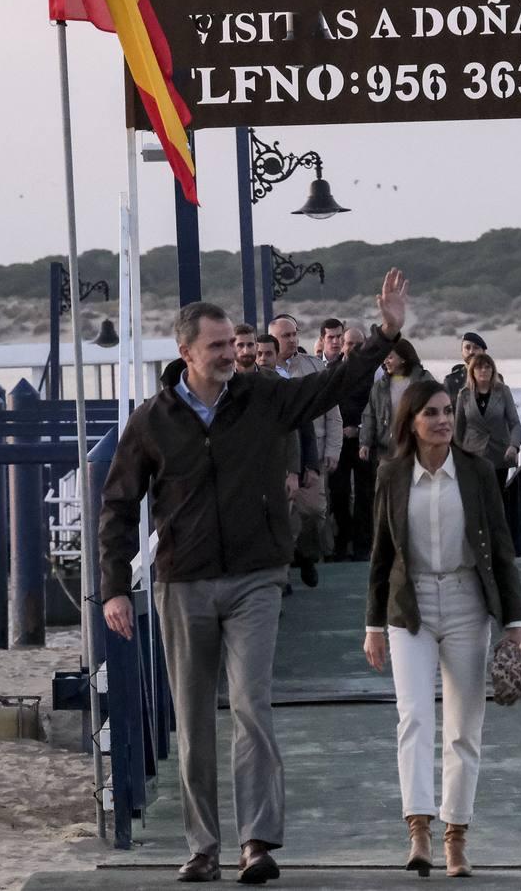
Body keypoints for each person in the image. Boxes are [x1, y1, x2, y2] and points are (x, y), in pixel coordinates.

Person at [99, 271, 410, 884]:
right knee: (192, 717)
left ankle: (257, 843)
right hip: (183, 581)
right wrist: (113, 585)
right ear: (185, 351)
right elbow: (116, 503)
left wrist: (386, 333)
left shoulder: (264, 397)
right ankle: (203, 847)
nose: (230, 354)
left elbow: (333, 384)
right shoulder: (151, 421)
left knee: (251, 706)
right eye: (215, 346)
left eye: (230, 344)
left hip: (255, 577)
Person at [362, 379, 521, 879]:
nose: (441, 420)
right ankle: (419, 830)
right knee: (412, 718)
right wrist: (372, 624)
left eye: (444, 412)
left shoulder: (476, 472)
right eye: (430, 413)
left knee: (463, 726)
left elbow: (501, 548)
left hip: (466, 604)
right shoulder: (391, 475)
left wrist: (515, 621)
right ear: (410, 422)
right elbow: (380, 553)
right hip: (407, 605)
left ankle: (456, 835)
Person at [271, 315, 343, 585]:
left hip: (314, 451)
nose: (291, 340)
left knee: (313, 512)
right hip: (277, 459)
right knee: (283, 515)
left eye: (294, 334)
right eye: (285, 336)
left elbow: (332, 413)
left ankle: (308, 555)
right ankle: (285, 569)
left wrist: (333, 449)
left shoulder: (313, 368)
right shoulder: (263, 372)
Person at [330, 325, 374, 560]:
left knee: (365, 495)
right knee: (339, 493)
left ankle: (362, 545)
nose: (353, 348)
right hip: (338, 442)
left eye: (358, 344)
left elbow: (376, 409)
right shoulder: (332, 371)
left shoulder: (374, 373)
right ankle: (342, 541)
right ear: (342, 344)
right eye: (349, 343)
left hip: (363, 441)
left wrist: (358, 430)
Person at [454, 352, 521, 487]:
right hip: (472, 454)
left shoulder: (503, 391)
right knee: (475, 497)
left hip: (499, 453)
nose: (483, 370)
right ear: (472, 371)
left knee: (497, 497)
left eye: (487, 367)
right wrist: (458, 456)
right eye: (479, 367)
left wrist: (513, 446)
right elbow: (458, 428)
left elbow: (514, 423)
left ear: (493, 370)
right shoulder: (464, 394)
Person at [360, 339, 433, 463]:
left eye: (390, 358)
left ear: (403, 358)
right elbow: (369, 415)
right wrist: (365, 443)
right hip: (386, 450)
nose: (385, 361)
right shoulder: (380, 386)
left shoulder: (423, 381)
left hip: (417, 448)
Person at [443, 332, 489, 403]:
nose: (471, 352)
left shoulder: (495, 378)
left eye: (476, 347)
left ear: (483, 352)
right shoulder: (451, 381)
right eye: (467, 347)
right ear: (462, 351)